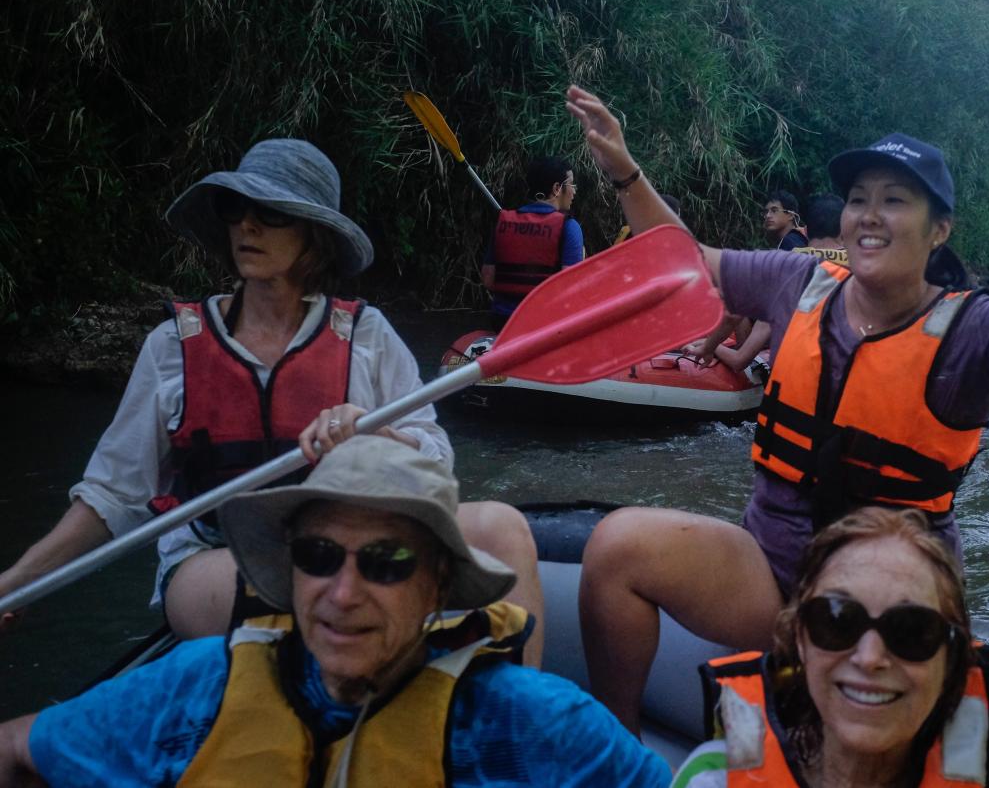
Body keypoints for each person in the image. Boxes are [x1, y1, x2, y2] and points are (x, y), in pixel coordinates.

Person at [564, 84, 989, 732]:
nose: (868, 215)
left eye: (893, 201)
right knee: (617, 548)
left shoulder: (976, 328)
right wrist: (623, 167)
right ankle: (617, 752)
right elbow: (684, 261)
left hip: (886, 604)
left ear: (938, 229)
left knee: (874, 679)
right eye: (857, 200)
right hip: (772, 573)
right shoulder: (798, 281)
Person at [0, 140, 544, 665]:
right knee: (317, 578)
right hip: (210, 558)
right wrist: (16, 585)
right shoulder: (173, 347)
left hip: (348, 540)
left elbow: (437, 463)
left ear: (315, 237)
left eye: (272, 213)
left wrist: (375, 434)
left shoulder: (366, 336)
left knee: (501, 528)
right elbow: (112, 496)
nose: (248, 226)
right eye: (237, 209)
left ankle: (521, 734)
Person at [0, 437, 670, 787]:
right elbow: (16, 751)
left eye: (385, 563)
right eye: (319, 555)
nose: (342, 593)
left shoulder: (537, 724)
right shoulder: (195, 689)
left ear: (438, 586)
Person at [670, 507, 989, 788]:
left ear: (951, 659)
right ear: (800, 640)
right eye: (836, 621)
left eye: (911, 630)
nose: (869, 658)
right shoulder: (715, 779)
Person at [684, 195, 847, 371]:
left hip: (790, 390)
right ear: (845, 229)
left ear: (805, 229)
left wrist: (710, 346)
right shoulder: (867, 269)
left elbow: (739, 354)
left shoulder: (782, 266)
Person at [481, 155, 584, 330]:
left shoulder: (504, 222)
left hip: (502, 322)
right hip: (543, 326)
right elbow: (571, 290)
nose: (574, 191)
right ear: (557, 188)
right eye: (571, 184)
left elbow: (488, 280)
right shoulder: (569, 227)